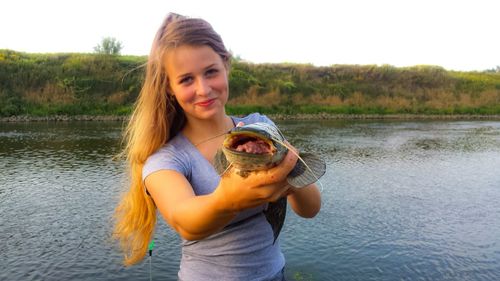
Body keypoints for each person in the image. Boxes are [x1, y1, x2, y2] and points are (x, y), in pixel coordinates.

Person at [113, 13, 321, 281]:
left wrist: (290, 176)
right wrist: (229, 198)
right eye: (186, 79)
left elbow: (310, 209)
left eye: (211, 72)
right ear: (169, 87)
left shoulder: (261, 126)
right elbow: (184, 220)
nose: (203, 89)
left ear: (226, 65)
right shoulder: (165, 159)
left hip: (274, 274)